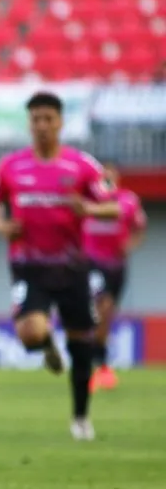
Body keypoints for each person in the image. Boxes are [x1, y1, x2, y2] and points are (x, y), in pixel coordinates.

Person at [0, 92, 118, 441]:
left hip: (73, 268)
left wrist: (88, 210)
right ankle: (45, 346)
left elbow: (114, 207)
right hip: (29, 267)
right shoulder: (12, 166)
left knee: (81, 345)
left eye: (48, 119)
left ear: (60, 122)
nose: (42, 125)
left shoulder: (81, 165)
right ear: (30, 123)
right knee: (30, 333)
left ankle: (81, 416)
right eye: (36, 119)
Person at [84, 162, 146, 391]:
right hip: (92, 263)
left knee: (106, 316)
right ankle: (96, 364)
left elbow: (139, 226)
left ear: (117, 177)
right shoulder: (87, 198)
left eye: (111, 174)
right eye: (103, 175)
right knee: (102, 306)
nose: (107, 178)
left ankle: (100, 364)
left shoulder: (127, 199)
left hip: (116, 266)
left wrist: (130, 244)